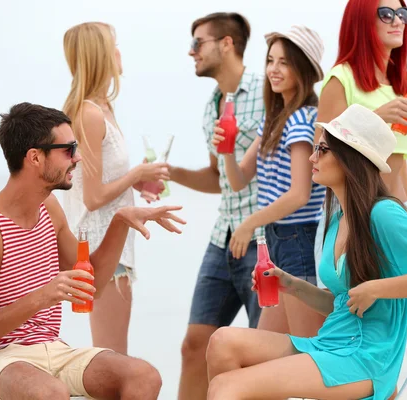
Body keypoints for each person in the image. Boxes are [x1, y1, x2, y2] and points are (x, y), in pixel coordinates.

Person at [205, 104, 407, 400]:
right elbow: (345, 303)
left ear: (350, 159)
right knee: (221, 342)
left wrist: (377, 289)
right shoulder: (338, 218)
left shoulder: (384, 214)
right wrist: (292, 286)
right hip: (332, 343)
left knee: (228, 387)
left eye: (323, 150)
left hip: (364, 358)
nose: (312, 158)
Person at [0, 103, 184, 400]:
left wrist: (120, 221)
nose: (78, 158)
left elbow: (91, 286)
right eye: (68, 150)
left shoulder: (49, 209)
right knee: (50, 393)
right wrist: (41, 297)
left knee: (144, 377)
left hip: (53, 351)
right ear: (35, 157)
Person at [167, 12, 265, 400]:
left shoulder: (267, 91)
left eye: (198, 43)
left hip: (262, 239)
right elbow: (218, 177)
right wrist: (169, 172)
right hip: (221, 239)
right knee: (195, 346)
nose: (191, 52)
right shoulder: (211, 106)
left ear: (226, 44)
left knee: (261, 353)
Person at [61, 22, 170, 355]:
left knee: (114, 358)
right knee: (111, 360)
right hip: (100, 252)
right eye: (114, 45)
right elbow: (92, 198)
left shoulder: (103, 110)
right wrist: (137, 171)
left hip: (115, 248)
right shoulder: (88, 115)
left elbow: (98, 183)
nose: (120, 52)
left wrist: (137, 181)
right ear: (100, 57)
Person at [212, 25, 326, 336]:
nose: (273, 70)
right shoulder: (274, 119)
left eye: (284, 62)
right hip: (277, 239)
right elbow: (239, 180)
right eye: (270, 61)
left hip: (298, 239)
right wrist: (227, 149)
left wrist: (249, 223)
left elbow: (300, 194)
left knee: (305, 349)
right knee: (267, 347)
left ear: (303, 68)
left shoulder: (304, 119)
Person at [315, 0, 407, 217]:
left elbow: (400, 164)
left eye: (402, 13)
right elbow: (321, 154)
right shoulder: (341, 79)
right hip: (356, 214)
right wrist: (376, 117)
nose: (398, 20)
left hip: (396, 214)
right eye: (386, 14)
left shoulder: (398, 86)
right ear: (362, 21)